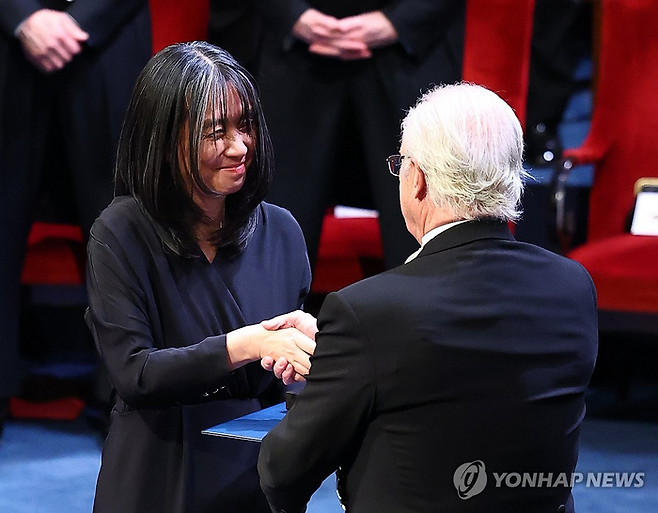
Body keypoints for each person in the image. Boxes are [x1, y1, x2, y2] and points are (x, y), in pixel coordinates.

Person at [258, 83, 599, 513]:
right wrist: (341, 352)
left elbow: (284, 469)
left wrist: (330, 367)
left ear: (416, 178)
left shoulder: (368, 311)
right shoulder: (573, 287)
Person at [85, 41, 315, 513]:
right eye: (217, 131)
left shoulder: (283, 232)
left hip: (256, 475)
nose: (239, 146)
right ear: (167, 140)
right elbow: (135, 373)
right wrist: (247, 345)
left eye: (245, 125)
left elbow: (287, 388)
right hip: (158, 470)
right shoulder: (120, 231)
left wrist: (309, 355)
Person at [0, 0, 151, 434]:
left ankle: (124, 390)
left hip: (111, 33)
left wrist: (82, 19)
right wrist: (21, 15)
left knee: (123, 225)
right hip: (6, 37)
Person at [254, 1, 466, 272]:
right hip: (291, 53)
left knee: (422, 232)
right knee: (275, 241)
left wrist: (398, 22)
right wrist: (292, 14)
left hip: (413, 54)